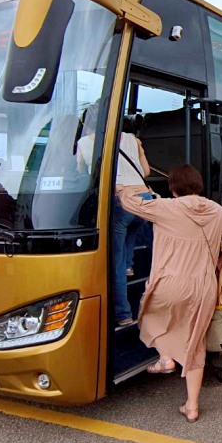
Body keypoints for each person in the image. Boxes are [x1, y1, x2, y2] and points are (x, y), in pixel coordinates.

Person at [117, 164, 222, 423]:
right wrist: (221, 260)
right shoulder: (217, 211)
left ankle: (165, 358)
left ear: (173, 187)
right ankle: (192, 407)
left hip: (169, 283)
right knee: (195, 343)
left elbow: (129, 203)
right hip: (203, 286)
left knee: (149, 313)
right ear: (198, 185)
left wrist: (122, 187)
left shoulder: (165, 207)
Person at [77, 106, 151, 327]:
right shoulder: (131, 138)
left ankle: (123, 314)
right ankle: (129, 265)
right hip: (145, 200)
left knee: (114, 261)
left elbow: (83, 174)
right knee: (130, 238)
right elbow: (145, 172)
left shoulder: (85, 143)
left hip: (121, 201)